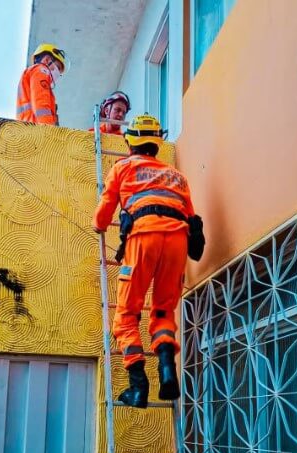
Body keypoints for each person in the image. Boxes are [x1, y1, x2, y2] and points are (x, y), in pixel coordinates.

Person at [93, 114, 202, 408]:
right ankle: (167, 369)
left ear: (131, 142)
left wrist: (99, 226)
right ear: (156, 143)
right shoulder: (177, 176)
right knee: (164, 310)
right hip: (177, 242)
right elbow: (191, 218)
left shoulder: (123, 167)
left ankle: (138, 387)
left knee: (126, 314)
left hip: (143, 238)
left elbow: (104, 212)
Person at [16, 43, 69, 125]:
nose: (58, 73)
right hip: (37, 129)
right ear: (47, 60)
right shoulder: (40, 70)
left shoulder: (33, 73)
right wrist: (48, 129)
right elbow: (41, 101)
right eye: (58, 67)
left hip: (30, 128)